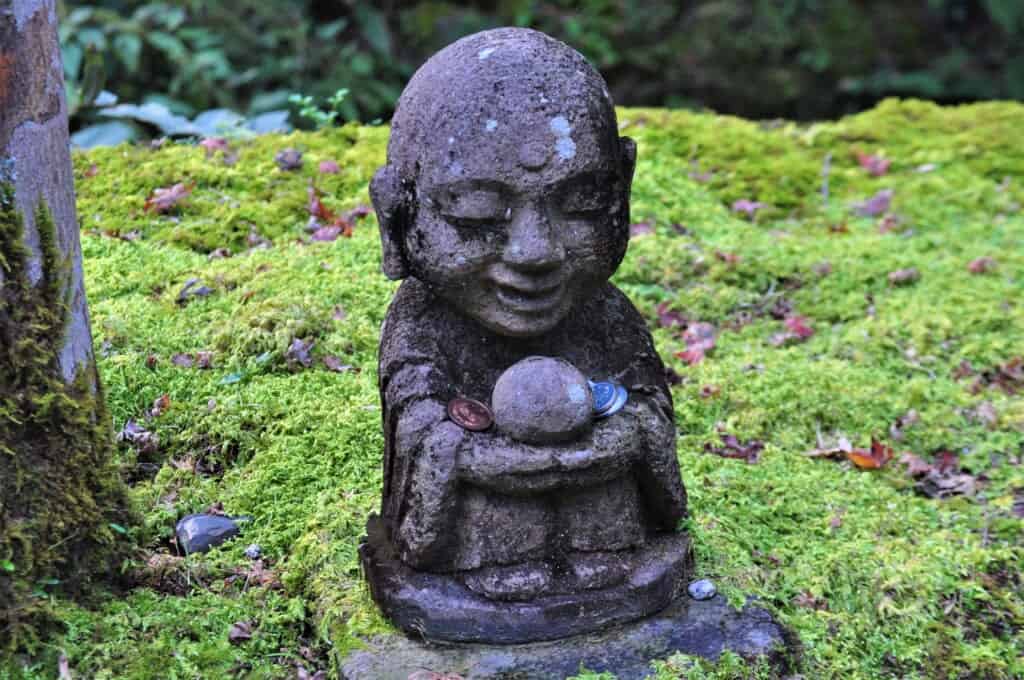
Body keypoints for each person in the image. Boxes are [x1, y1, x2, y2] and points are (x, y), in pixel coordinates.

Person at [365, 27, 689, 642]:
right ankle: (498, 563)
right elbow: (420, 428)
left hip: (600, 489)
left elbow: (648, 409)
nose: (535, 252)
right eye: (477, 217)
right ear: (396, 217)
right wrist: (484, 456)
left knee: (606, 510)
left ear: (623, 189)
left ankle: (603, 559)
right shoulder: (424, 323)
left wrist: (618, 438)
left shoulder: (605, 315)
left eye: (583, 203)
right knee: (491, 517)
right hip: (483, 504)